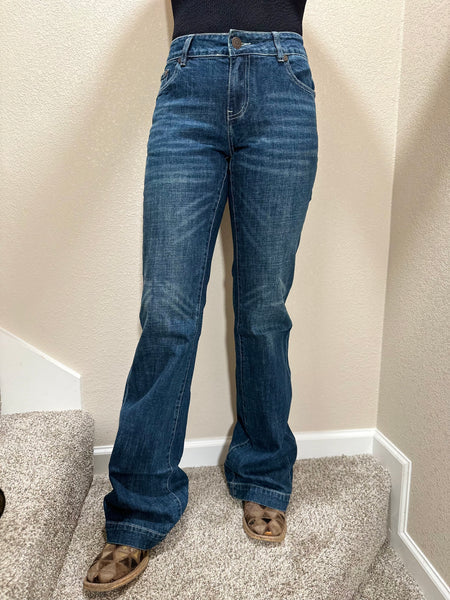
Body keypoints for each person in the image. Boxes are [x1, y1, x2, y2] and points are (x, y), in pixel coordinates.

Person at [83, 1, 317, 592]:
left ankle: (264, 473)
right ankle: (140, 507)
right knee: (167, 311)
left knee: (265, 309)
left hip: (283, 83)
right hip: (189, 80)